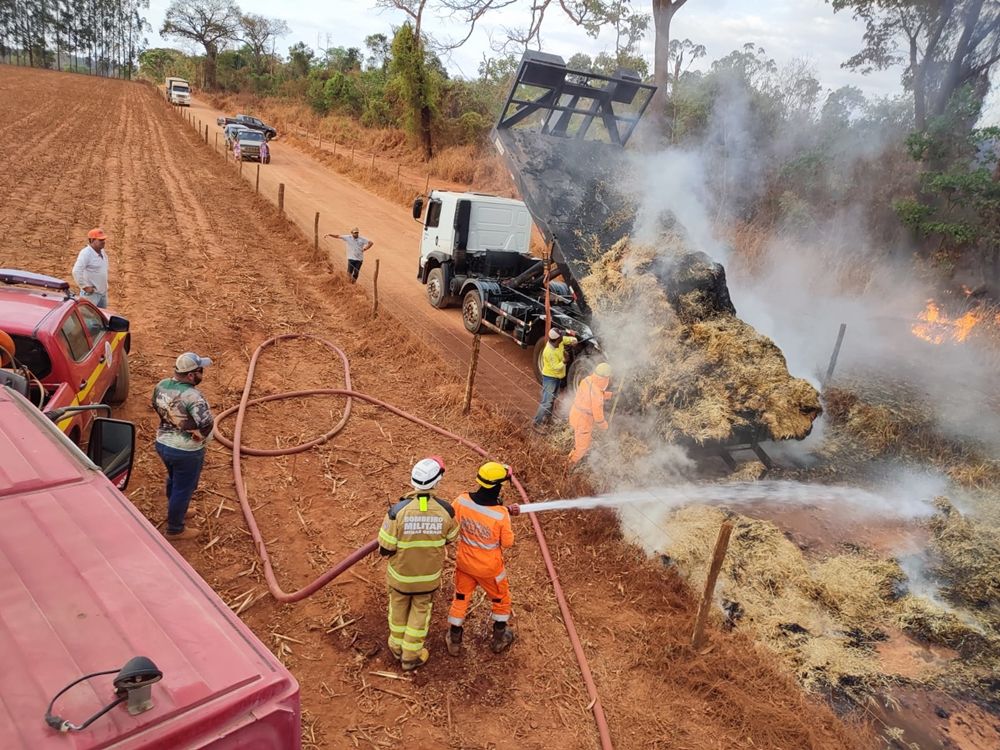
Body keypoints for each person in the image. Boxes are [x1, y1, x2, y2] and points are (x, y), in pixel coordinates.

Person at [378, 457, 458, 671]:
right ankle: (411, 656)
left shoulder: (397, 511)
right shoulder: (447, 511)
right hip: (427, 580)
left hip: (400, 578)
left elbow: (385, 547)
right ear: (437, 482)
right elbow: (451, 537)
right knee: (420, 612)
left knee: (397, 609)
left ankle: (396, 647)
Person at [446, 461, 517, 656]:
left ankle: (454, 639)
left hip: (464, 564)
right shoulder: (500, 515)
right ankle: (500, 638)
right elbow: (507, 542)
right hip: (489, 569)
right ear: (498, 486)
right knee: (501, 599)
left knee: (460, 597)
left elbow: (450, 521)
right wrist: (505, 513)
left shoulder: (461, 501)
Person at [152, 352, 215, 541]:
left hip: (162, 443)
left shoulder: (161, 385)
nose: (202, 374)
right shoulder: (193, 396)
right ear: (190, 375)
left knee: (174, 479)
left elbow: (155, 406)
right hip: (185, 451)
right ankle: (175, 529)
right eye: (200, 371)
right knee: (184, 488)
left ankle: (177, 508)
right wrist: (199, 437)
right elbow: (206, 424)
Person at [532, 327, 578, 431]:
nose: (562, 338)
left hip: (557, 377)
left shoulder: (559, 341)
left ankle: (548, 420)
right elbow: (555, 367)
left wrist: (573, 340)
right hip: (550, 378)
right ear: (556, 339)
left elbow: (567, 339)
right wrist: (565, 361)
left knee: (552, 399)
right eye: (561, 337)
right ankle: (536, 423)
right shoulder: (548, 352)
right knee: (546, 402)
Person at [568, 362, 613, 464]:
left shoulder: (587, 380)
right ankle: (567, 466)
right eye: (608, 378)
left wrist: (609, 395)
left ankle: (572, 457)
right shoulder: (597, 394)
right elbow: (598, 418)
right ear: (604, 378)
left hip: (575, 414)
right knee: (582, 448)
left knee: (579, 442)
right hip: (583, 422)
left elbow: (591, 393)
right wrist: (605, 427)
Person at [72, 228, 109, 308]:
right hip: (91, 296)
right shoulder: (86, 253)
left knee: (102, 318)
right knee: (89, 319)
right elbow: (76, 271)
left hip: (102, 294)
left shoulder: (102, 251)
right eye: (100, 240)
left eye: (104, 239)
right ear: (92, 240)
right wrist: (85, 287)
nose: (103, 242)